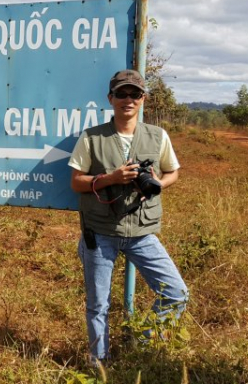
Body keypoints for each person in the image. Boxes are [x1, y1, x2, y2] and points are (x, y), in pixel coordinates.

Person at [68, 69, 188, 364]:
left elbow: (173, 172)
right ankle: (99, 363)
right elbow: (76, 182)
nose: (128, 99)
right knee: (98, 306)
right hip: (101, 232)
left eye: (134, 94)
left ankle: (142, 345)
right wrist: (111, 178)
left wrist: (158, 183)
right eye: (121, 94)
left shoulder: (157, 136)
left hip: (141, 234)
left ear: (143, 99)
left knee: (176, 293)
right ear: (110, 99)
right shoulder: (92, 138)